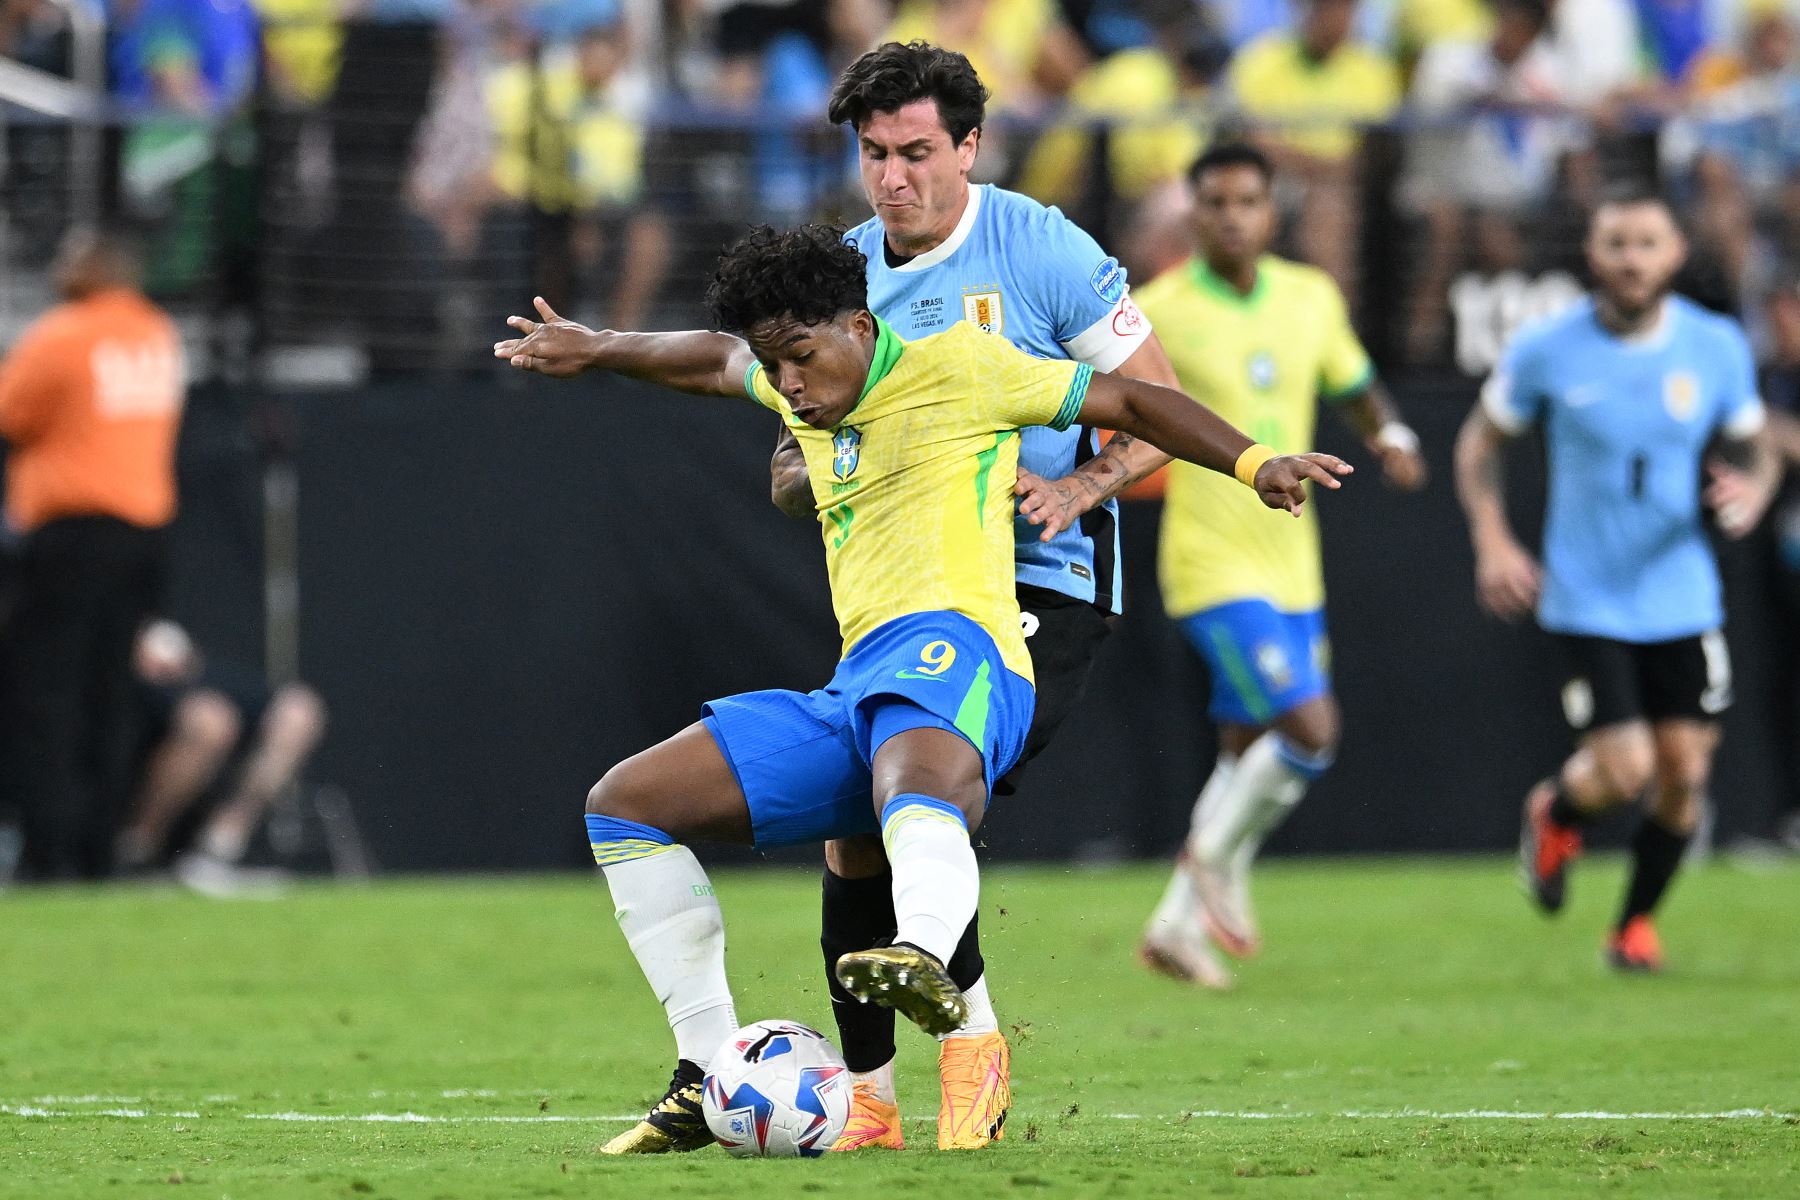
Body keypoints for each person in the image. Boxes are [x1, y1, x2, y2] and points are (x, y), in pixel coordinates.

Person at [493, 223, 1351, 1153]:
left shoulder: (965, 366)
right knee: (625, 805)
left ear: (860, 326)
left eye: (802, 360)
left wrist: (1256, 462)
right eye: (776, 369)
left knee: (906, 774)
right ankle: (709, 1070)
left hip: (969, 649)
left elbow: (1136, 399)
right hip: (858, 681)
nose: (788, 386)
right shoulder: (801, 388)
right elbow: (711, 359)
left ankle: (929, 966)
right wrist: (601, 346)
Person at [770, 40, 1184, 1154]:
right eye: (872, 155)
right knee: (857, 835)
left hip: (1043, 590)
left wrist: (1079, 484)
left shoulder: (1043, 249)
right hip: (907, 595)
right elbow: (783, 462)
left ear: (969, 148)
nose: (891, 178)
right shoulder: (841, 276)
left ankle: (970, 1053)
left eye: (914, 153)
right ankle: (873, 1104)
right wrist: (841, 454)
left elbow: (1158, 407)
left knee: (921, 791)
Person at [1018, 143, 1426, 986]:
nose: (1232, 216)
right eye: (1214, 203)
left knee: (1246, 750)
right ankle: (1215, 863)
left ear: (1272, 210)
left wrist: (1391, 434)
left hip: (1293, 569)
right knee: (1311, 729)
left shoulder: (1310, 298)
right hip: (1211, 565)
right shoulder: (1157, 308)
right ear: (1191, 213)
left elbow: (1354, 380)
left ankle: (1173, 925)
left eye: (1247, 201)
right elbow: (1109, 400)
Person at [1453, 189, 1781, 972]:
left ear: (1673, 255)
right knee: (1628, 770)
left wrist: (1755, 490)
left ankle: (1632, 927)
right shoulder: (1548, 348)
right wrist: (1494, 541)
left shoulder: (1714, 345)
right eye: (1615, 243)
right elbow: (1477, 445)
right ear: (1591, 255)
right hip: (1588, 593)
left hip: (1682, 590)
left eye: (1647, 243)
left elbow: (1757, 447)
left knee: (1685, 774)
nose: (1631, 259)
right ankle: (1556, 810)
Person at [0, 227, 184, 881]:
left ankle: (49, 851)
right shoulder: (157, 332)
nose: (58, 265)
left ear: (93, 269)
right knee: (113, 694)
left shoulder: (64, 333)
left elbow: (10, 413)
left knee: (43, 693)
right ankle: (100, 849)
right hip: (143, 537)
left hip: (73, 535)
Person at [114, 619, 329, 896]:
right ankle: (139, 850)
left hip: (202, 683)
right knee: (212, 722)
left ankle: (219, 848)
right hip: (157, 703)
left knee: (299, 711)